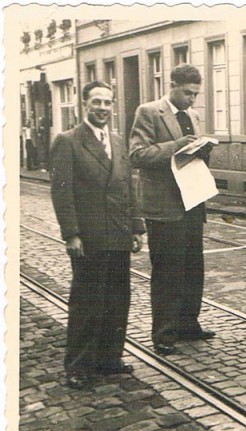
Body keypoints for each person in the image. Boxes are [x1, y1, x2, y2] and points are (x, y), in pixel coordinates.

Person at [50, 80, 145, 389]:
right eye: (97, 102)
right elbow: (62, 193)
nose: (103, 108)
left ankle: (108, 359)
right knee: (88, 301)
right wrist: (72, 235)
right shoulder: (68, 141)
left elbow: (129, 187)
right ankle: (78, 366)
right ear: (84, 105)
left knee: (118, 300)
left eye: (107, 102)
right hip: (89, 237)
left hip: (118, 234)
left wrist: (136, 226)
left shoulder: (119, 142)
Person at [130, 64, 215, 356]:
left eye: (195, 94)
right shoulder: (149, 111)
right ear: (173, 86)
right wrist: (175, 145)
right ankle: (164, 334)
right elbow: (137, 155)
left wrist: (203, 151)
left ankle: (189, 324)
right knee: (168, 271)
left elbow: (190, 157)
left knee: (193, 268)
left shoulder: (193, 115)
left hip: (192, 201)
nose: (192, 100)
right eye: (188, 93)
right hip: (164, 208)